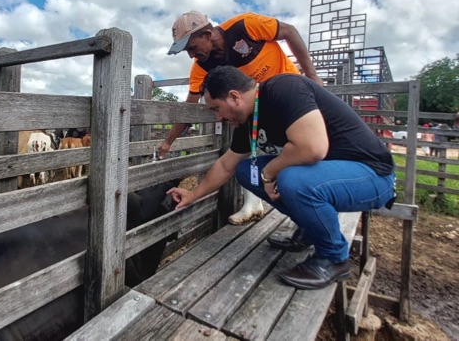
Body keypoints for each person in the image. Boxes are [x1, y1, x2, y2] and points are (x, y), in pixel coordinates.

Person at [167, 66, 395, 289]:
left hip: (371, 174)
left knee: (292, 180)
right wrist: (193, 194)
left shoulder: (283, 88)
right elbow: (226, 165)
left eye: (216, 108)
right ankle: (310, 228)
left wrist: (269, 173)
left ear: (234, 97)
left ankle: (333, 258)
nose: (218, 117)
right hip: (329, 174)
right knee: (246, 171)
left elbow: (313, 148)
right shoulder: (250, 120)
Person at [160, 11, 322, 224]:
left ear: (207, 34)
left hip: (288, 96)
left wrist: (311, 75)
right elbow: (190, 105)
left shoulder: (246, 26)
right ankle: (258, 204)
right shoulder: (202, 65)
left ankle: (311, 218)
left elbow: (289, 31)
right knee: (246, 157)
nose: (191, 55)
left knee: (298, 157)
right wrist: (168, 141)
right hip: (252, 108)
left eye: (191, 47)